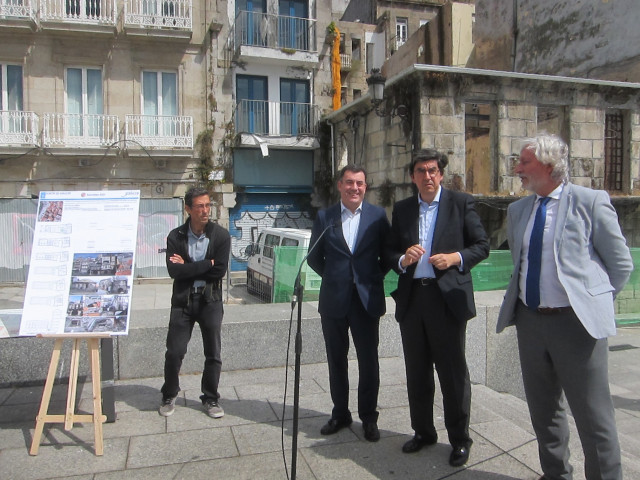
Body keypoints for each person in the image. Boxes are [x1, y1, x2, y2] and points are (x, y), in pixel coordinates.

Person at [497, 133, 633, 480]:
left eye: (524, 162)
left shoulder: (590, 202)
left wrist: (591, 305)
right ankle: (556, 474)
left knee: (593, 417)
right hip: (530, 323)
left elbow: (620, 265)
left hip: (576, 327)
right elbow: (520, 262)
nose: (517, 169)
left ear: (548, 164)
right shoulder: (518, 210)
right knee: (544, 411)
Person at [384, 148, 489, 467]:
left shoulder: (460, 203)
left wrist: (455, 258)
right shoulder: (402, 209)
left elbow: (481, 245)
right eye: (420, 171)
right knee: (417, 372)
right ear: (412, 176)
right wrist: (404, 259)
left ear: (441, 174)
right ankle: (423, 432)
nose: (427, 176)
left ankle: (459, 439)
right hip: (413, 298)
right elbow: (389, 252)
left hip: (447, 301)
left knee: (452, 373)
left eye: (432, 170)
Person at [307, 164, 391, 442]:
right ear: (340, 185)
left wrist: (370, 278)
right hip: (334, 300)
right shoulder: (325, 216)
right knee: (336, 360)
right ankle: (340, 413)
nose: (355, 188)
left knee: (369, 362)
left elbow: (388, 256)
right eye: (349, 183)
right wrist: (336, 278)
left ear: (366, 188)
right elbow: (314, 257)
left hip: (366, 300)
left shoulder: (378, 216)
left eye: (360, 183)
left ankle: (369, 417)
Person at [158, 186, 231, 418]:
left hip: (210, 300)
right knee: (174, 351)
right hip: (183, 301)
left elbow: (219, 270)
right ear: (188, 208)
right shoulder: (175, 236)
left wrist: (189, 266)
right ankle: (169, 394)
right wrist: (205, 264)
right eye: (199, 206)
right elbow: (174, 271)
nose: (205, 210)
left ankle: (210, 398)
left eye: (208, 205)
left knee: (213, 352)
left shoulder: (220, 235)